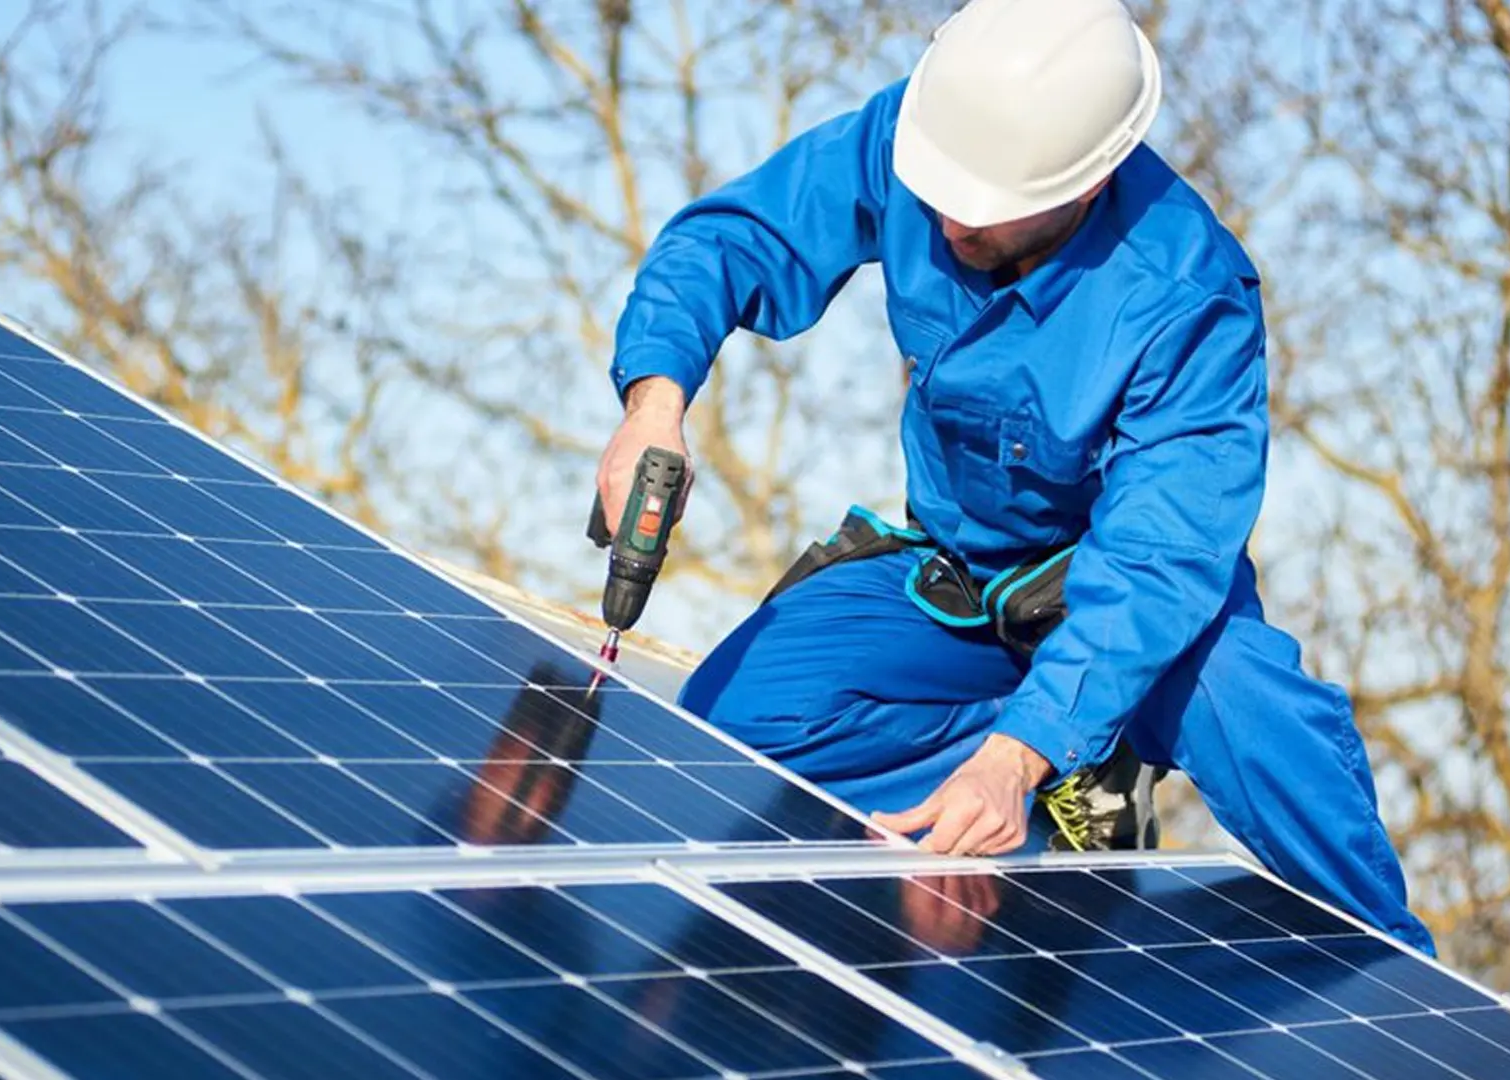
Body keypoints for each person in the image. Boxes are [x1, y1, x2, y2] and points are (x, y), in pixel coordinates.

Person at [593, 0, 1434, 954]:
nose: (949, 219)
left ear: (1092, 177)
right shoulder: (924, 135)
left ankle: (1400, 962)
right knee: (734, 723)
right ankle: (1072, 766)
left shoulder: (1189, 297)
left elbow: (1158, 562)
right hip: (957, 580)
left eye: (986, 206)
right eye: (941, 191)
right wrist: (654, 403)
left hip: (1118, 602)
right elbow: (735, 237)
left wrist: (1020, 751)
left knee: (1263, 725)